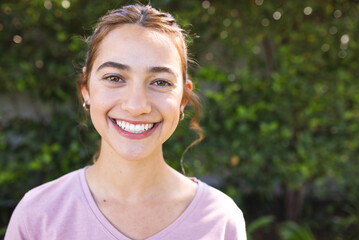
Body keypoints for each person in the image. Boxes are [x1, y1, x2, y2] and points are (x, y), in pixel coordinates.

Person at [5, 4, 246, 240]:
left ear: (183, 98)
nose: (137, 105)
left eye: (160, 82)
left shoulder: (220, 220)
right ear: (86, 90)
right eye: (114, 78)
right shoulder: (38, 216)